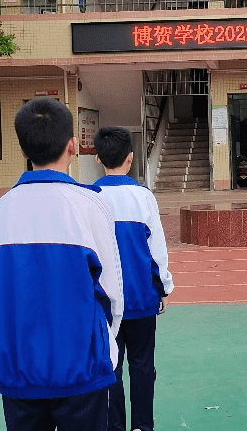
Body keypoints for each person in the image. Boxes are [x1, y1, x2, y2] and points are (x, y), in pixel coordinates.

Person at [0, 97, 125, 431]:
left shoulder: (3, 209)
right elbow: (113, 295)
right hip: (80, 372)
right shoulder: (90, 206)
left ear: (23, 148)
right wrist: (105, 352)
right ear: (73, 145)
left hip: (18, 376)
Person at [91, 127, 175, 431]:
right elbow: (157, 251)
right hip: (141, 299)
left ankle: (114, 426)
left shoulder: (89, 197)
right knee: (142, 367)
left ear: (98, 158)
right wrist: (162, 288)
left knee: (109, 367)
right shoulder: (143, 197)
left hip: (102, 305)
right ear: (131, 158)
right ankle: (142, 426)